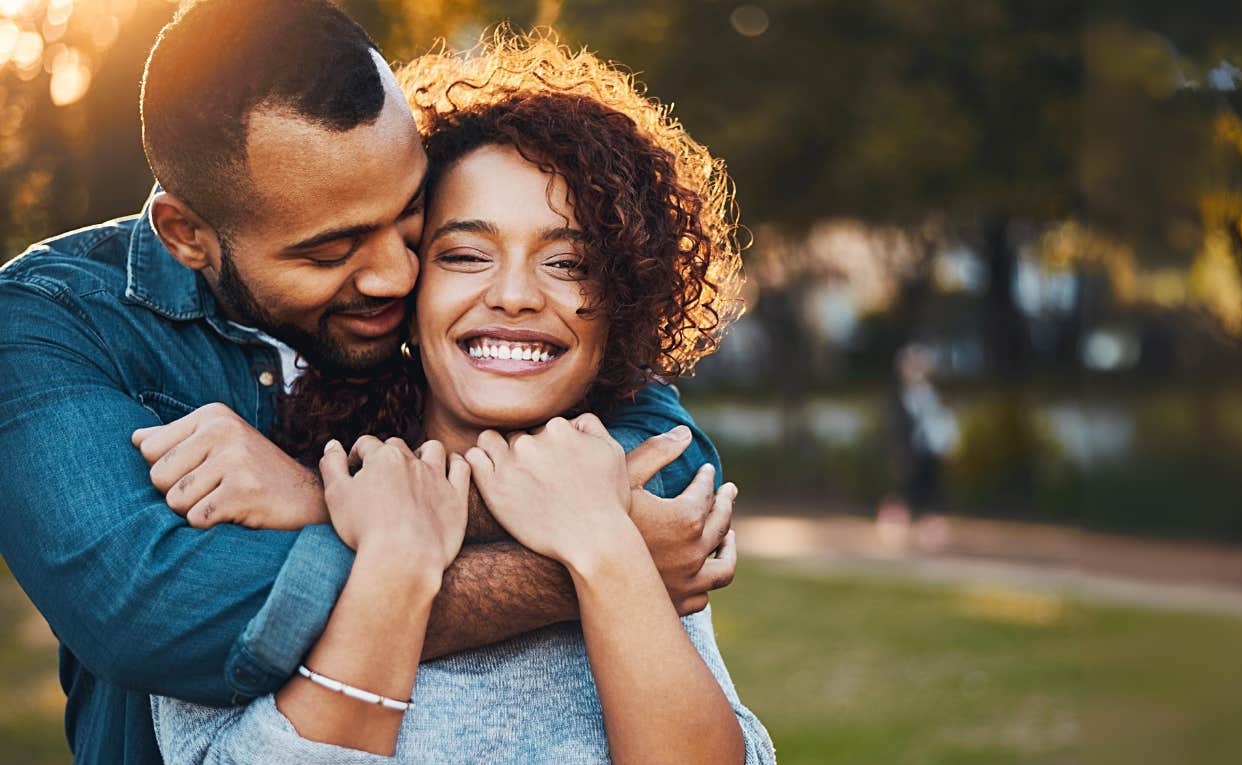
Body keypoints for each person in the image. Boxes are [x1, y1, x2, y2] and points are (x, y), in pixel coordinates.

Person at [0, 3, 732, 763]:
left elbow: (670, 480)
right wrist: (576, 564)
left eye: (411, 214)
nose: (396, 273)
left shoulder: (456, 293)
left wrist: (319, 499)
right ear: (186, 233)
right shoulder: (56, 323)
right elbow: (155, 610)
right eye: (332, 250)